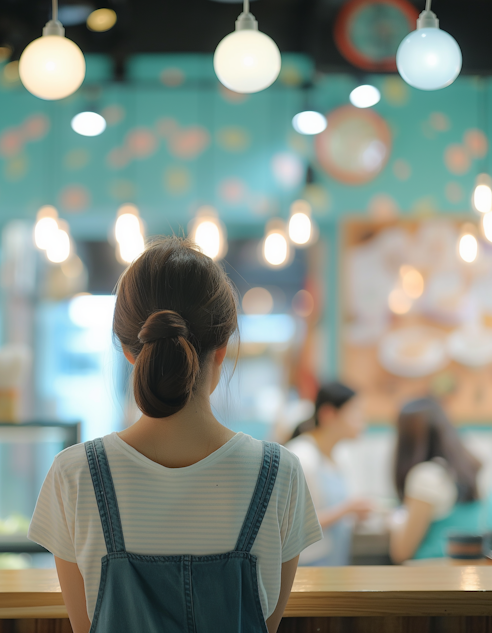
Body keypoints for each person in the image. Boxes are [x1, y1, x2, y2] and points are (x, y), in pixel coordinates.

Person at [29, 236, 322, 633]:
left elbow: (86, 628)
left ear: (130, 351)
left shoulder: (75, 475)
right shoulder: (280, 473)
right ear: (221, 350)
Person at [389, 397, 490, 563]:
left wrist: (395, 521)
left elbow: (401, 552)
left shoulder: (426, 476)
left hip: (431, 578)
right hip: (467, 576)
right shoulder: (470, 469)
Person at [285, 382, 372, 566]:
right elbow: (293, 525)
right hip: (307, 565)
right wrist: (347, 509)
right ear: (329, 414)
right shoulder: (300, 456)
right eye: (354, 412)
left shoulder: (341, 455)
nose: (361, 421)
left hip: (335, 559)